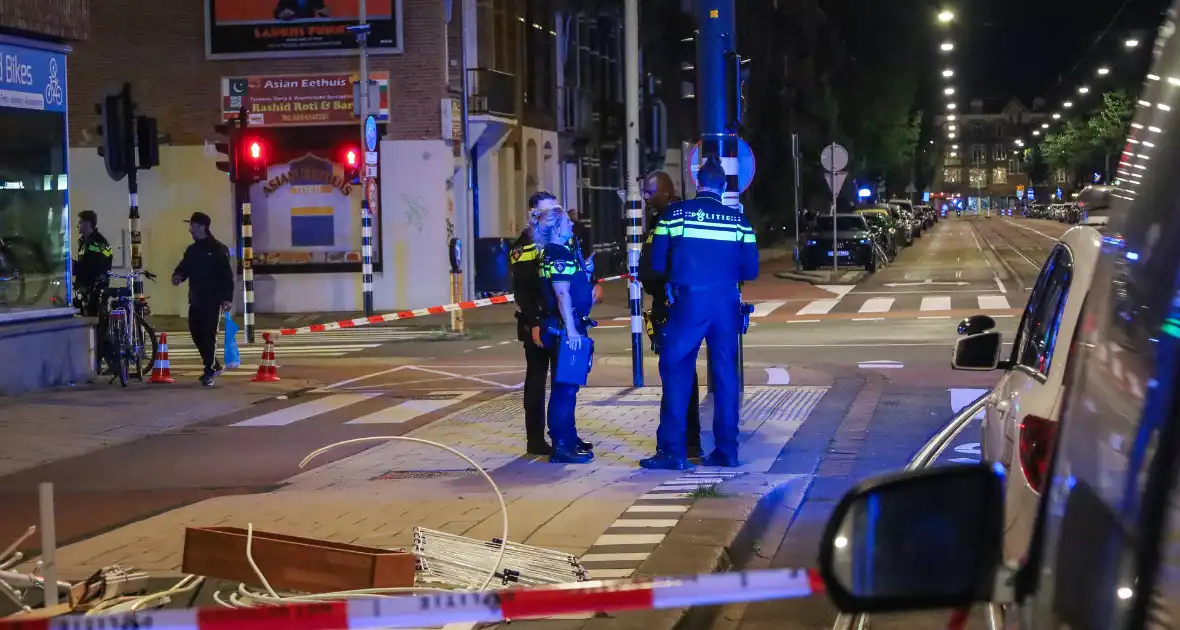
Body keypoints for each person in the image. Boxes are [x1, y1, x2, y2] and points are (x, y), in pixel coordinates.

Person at [640, 159, 759, 470]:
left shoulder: (674, 216)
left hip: (687, 303)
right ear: (723, 187)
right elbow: (751, 269)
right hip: (725, 307)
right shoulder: (739, 223)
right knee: (725, 377)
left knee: (677, 370)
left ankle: (673, 452)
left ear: (697, 183)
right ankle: (727, 451)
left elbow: (655, 264)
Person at [638, 171, 702, 459]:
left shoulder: (675, 220)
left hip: (675, 306)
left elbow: (672, 264)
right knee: (680, 374)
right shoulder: (660, 219)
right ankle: (687, 443)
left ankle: (675, 446)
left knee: (677, 375)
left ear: (665, 191)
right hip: (670, 304)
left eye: (649, 193)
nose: (645, 198)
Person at [534, 204, 596, 464]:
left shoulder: (560, 251)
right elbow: (561, 293)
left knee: (568, 388)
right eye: (568, 224)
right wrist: (571, 330)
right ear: (557, 229)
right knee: (564, 389)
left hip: (563, 326)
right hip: (562, 329)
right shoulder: (557, 253)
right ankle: (562, 445)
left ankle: (569, 439)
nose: (572, 225)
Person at [171, 212, 235, 386]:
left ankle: (209, 370)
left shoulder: (218, 249)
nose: (190, 229)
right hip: (196, 298)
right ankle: (213, 363)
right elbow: (184, 267)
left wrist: (227, 298)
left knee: (208, 335)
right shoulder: (192, 250)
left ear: (202, 227)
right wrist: (178, 276)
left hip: (212, 300)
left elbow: (226, 276)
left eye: (192, 225)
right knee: (196, 333)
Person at [73, 210, 113, 317]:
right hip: (85, 288)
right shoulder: (84, 241)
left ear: (88, 223)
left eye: (80, 222)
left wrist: (76, 267)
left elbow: (95, 266)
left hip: (95, 290)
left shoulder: (98, 242)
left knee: (94, 320)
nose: (77, 225)